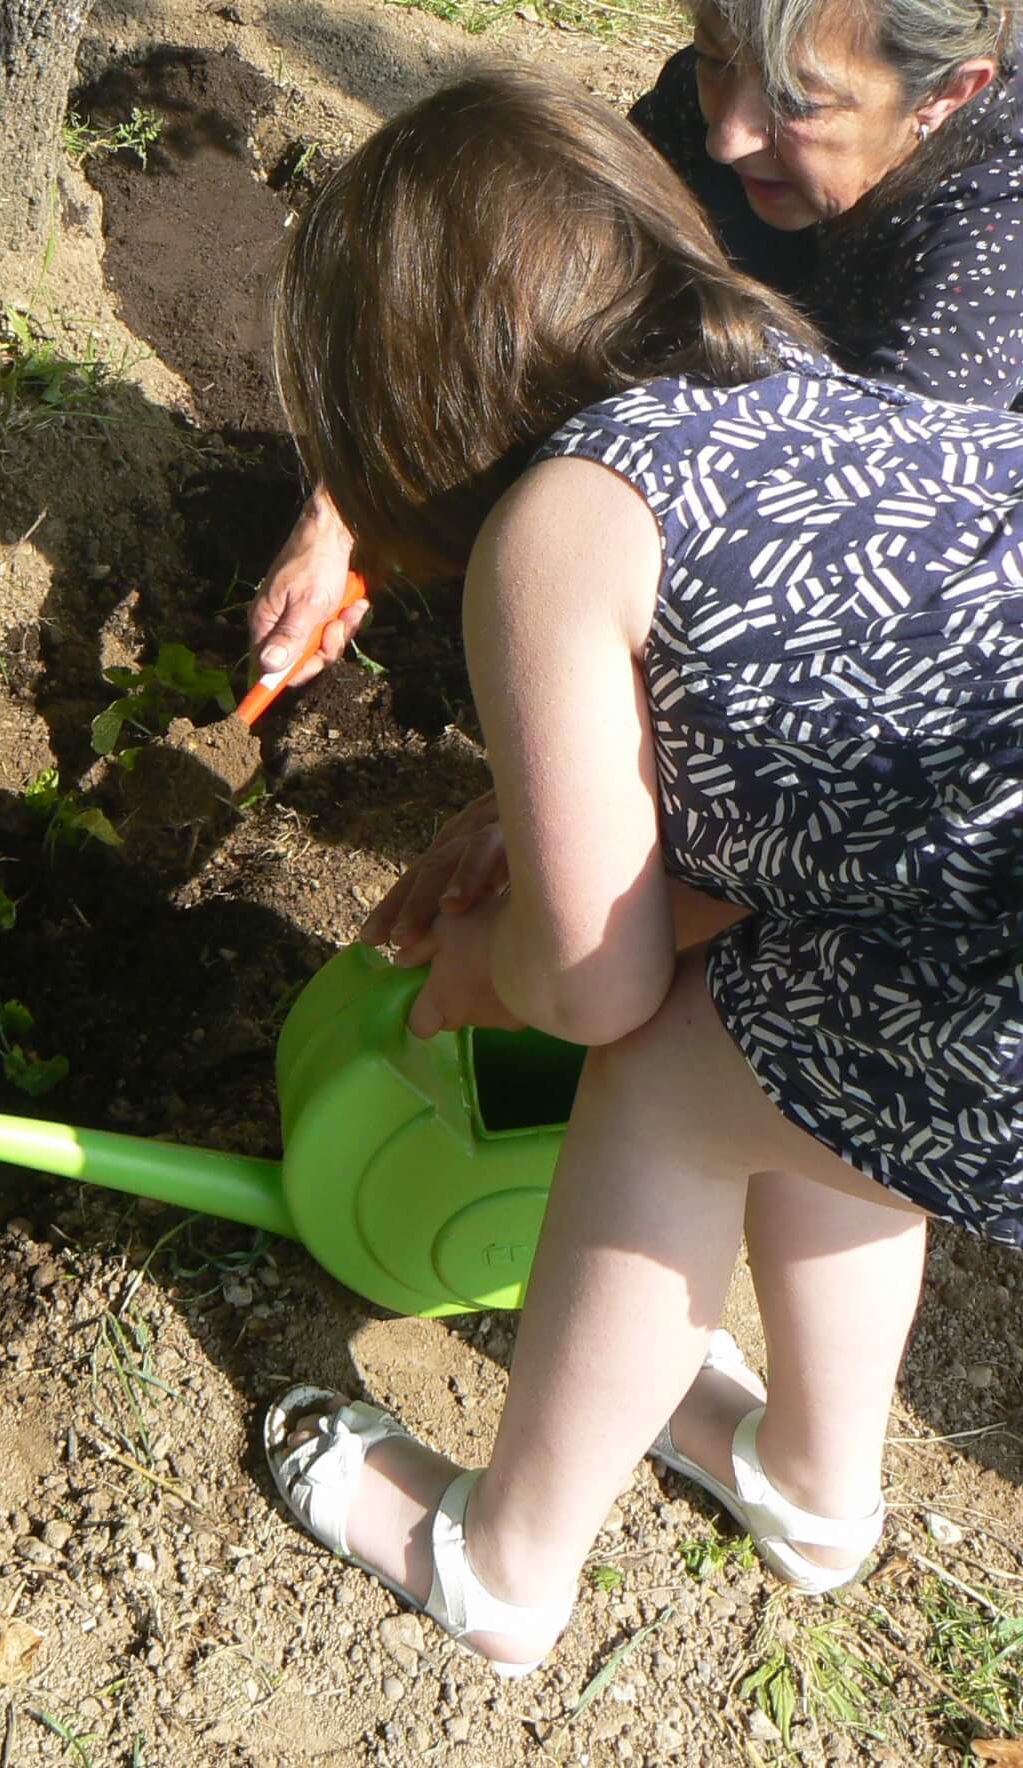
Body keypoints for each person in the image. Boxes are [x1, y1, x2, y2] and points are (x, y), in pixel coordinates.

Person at [260, 67, 1023, 1675]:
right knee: (817, 1079)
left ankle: (502, 1563)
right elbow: (808, 798)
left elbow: (599, 982)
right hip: (982, 871)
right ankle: (814, 1488)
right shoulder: (788, 379)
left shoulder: (557, 524)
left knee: (674, 1074)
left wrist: (498, 965)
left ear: (408, 412)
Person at [248, 0, 1018, 718]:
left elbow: (834, 585)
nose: (730, 136)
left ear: (949, 94)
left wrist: (583, 759)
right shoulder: (717, 101)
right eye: (717, 58)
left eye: (796, 101)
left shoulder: (992, 248)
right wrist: (347, 509)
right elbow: (548, 283)